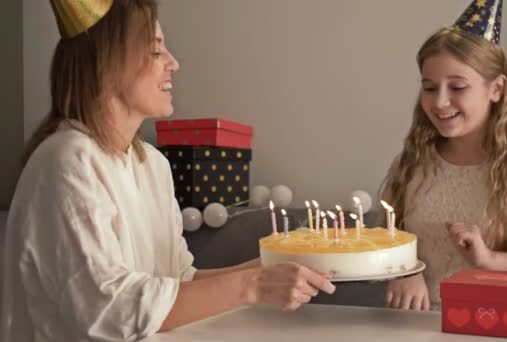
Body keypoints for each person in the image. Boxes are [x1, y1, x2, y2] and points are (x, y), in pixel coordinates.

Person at [0, 1, 335, 341]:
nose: (174, 63)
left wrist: (268, 267)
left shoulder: (152, 164)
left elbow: (176, 282)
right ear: (108, 61)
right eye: (156, 50)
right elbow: (106, 310)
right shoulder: (66, 161)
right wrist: (252, 284)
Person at [379, 0, 507, 311]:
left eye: (458, 87)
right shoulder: (411, 165)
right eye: (429, 87)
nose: (440, 102)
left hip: (495, 327)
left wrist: (493, 260)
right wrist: (403, 270)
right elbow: (378, 246)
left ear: (496, 89)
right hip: (415, 329)